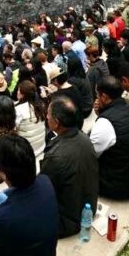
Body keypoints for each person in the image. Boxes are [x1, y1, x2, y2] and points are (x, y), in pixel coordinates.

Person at [40, 96, 99, 238]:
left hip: (66, 222)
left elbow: (44, 190)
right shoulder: (84, 138)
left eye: (48, 115)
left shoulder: (56, 156)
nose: (46, 118)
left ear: (57, 123)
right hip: (88, 207)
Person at [90, 76, 129, 200]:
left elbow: (90, 154)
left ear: (104, 97)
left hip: (118, 188)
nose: (96, 99)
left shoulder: (105, 123)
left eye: (98, 95)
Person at [14, 79, 47, 160]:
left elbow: (13, 128)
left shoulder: (19, 110)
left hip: (27, 150)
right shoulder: (41, 105)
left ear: (23, 94)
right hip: (41, 145)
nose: (17, 92)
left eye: (18, 90)